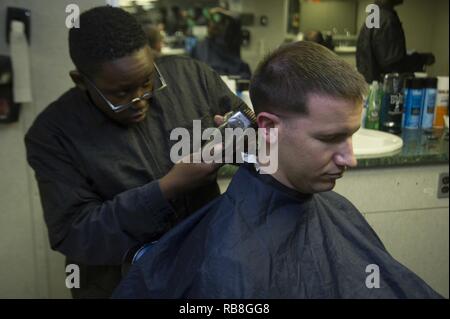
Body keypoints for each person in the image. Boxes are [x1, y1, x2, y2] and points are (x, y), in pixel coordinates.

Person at [112, 41, 442, 299]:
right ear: (268, 127)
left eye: (351, 136)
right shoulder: (229, 262)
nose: (350, 159)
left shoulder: (334, 209)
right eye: (330, 138)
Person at [24, 6, 246, 298]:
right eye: (120, 93)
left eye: (147, 82)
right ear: (81, 81)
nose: (140, 99)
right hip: (122, 285)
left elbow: (253, 132)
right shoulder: (53, 134)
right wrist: (167, 189)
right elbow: (75, 233)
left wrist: (241, 143)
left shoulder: (191, 76)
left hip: (203, 270)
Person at [356, 0, 435, 83]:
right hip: (383, 87)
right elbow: (392, 63)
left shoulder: (374, 15)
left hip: (369, 83)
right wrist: (421, 59)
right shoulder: (387, 19)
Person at [191, 7, 251, 79]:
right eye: (211, 23)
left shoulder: (229, 42)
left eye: (217, 24)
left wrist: (222, 11)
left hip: (229, 75)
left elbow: (237, 19)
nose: (214, 26)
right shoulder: (200, 46)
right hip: (210, 78)